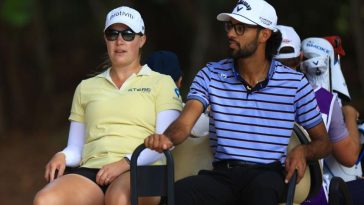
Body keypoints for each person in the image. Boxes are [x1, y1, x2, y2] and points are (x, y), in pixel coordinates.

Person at [144, 1, 331, 204]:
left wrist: (303, 151)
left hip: (267, 175)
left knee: (262, 193)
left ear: (264, 35)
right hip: (223, 175)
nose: (231, 34)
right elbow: (185, 122)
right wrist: (167, 138)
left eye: (240, 28)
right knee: (176, 196)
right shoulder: (211, 74)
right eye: (230, 26)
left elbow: (324, 143)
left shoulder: (295, 84)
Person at [33, 6, 182, 205]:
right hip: (93, 171)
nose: (119, 41)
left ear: (142, 40)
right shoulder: (86, 87)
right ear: (106, 39)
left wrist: (124, 163)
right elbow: (76, 148)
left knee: (118, 199)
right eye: (112, 34)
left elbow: (165, 142)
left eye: (128, 34)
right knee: (46, 200)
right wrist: (62, 155)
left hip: (143, 168)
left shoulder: (162, 83)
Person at [275, 25, 361, 204]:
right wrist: (350, 115)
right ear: (300, 59)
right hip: (312, 197)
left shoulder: (245, 95)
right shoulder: (323, 100)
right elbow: (350, 157)